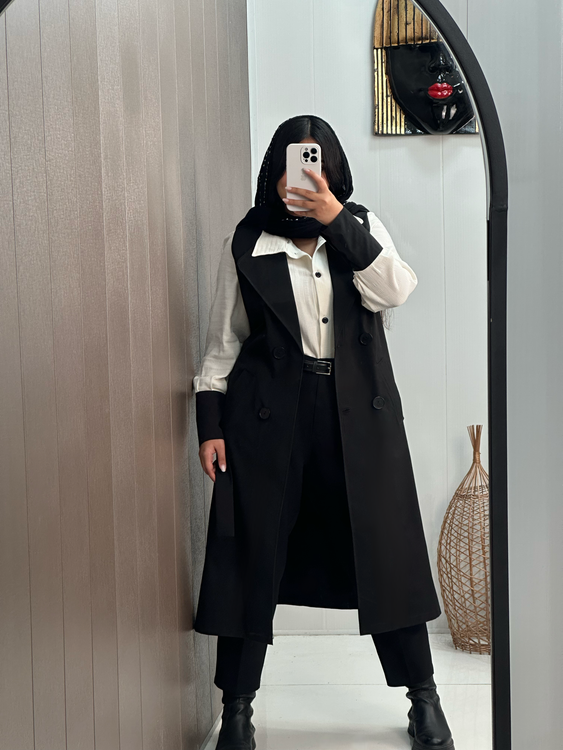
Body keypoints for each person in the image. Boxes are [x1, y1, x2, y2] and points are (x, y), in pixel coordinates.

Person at [192, 115, 454, 750]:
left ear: (333, 170)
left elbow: (396, 289)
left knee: (388, 554)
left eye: (318, 164)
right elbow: (224, 343)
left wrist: (336, 218)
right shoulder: (248, 240)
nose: (306, 177)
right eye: (295, 163)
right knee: (253, 557)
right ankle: (236, 711)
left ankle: (423, 698)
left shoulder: (359, 227)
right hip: (266, 421)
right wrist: (210, 425)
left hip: (360, 415)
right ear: (273, 172)